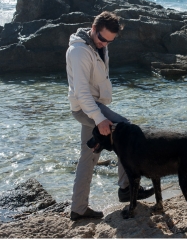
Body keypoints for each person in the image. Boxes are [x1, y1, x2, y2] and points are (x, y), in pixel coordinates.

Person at [66, 11, 154, 221]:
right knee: (127, 130)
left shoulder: (97, 46)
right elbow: (81, 92)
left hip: (94, 107)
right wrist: (99, 118)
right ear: (93, 29)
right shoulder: (79, 51)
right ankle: (125, 188)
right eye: (102, 38)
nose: (105, 44)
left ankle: (78, 208)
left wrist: (99, 114)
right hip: (85, 108)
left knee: (88, 157)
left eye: (109, 41)